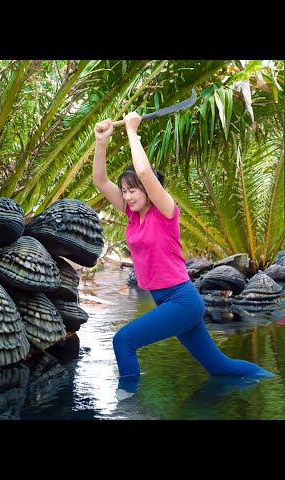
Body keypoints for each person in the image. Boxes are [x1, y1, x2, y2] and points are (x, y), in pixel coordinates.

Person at [92, 111, 274, 389]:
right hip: (168, 301)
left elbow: (143, 171)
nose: (127, 196)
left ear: (150, 190)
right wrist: (101, 142)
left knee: (123, 341)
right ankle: (272, 381)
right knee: (220, 367)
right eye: (124, 191)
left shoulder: (166, 211)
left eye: (133, 191)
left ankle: (129, 405)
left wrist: (132, 130)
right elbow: (100, 182)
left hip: (182, 300)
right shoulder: (132, 214)